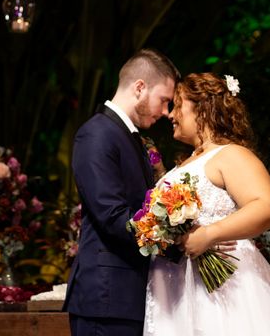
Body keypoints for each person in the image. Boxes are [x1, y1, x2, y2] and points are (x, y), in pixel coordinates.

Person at [143, 72, 270, 336]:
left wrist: (209, 233)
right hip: (176, 289)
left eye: (178, 105)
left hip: (223, 289)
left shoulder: (230, 154)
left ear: (202, 109)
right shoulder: (183, 164)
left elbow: (267, 207)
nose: (171, 115)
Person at [64, 48, 180, 336]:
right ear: (140, 87)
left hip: (128, 295)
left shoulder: (132, 138)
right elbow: (113, 215)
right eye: (163, 100)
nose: (166, 112)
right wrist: (177, 241)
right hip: (106, 297)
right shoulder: (97, 133)